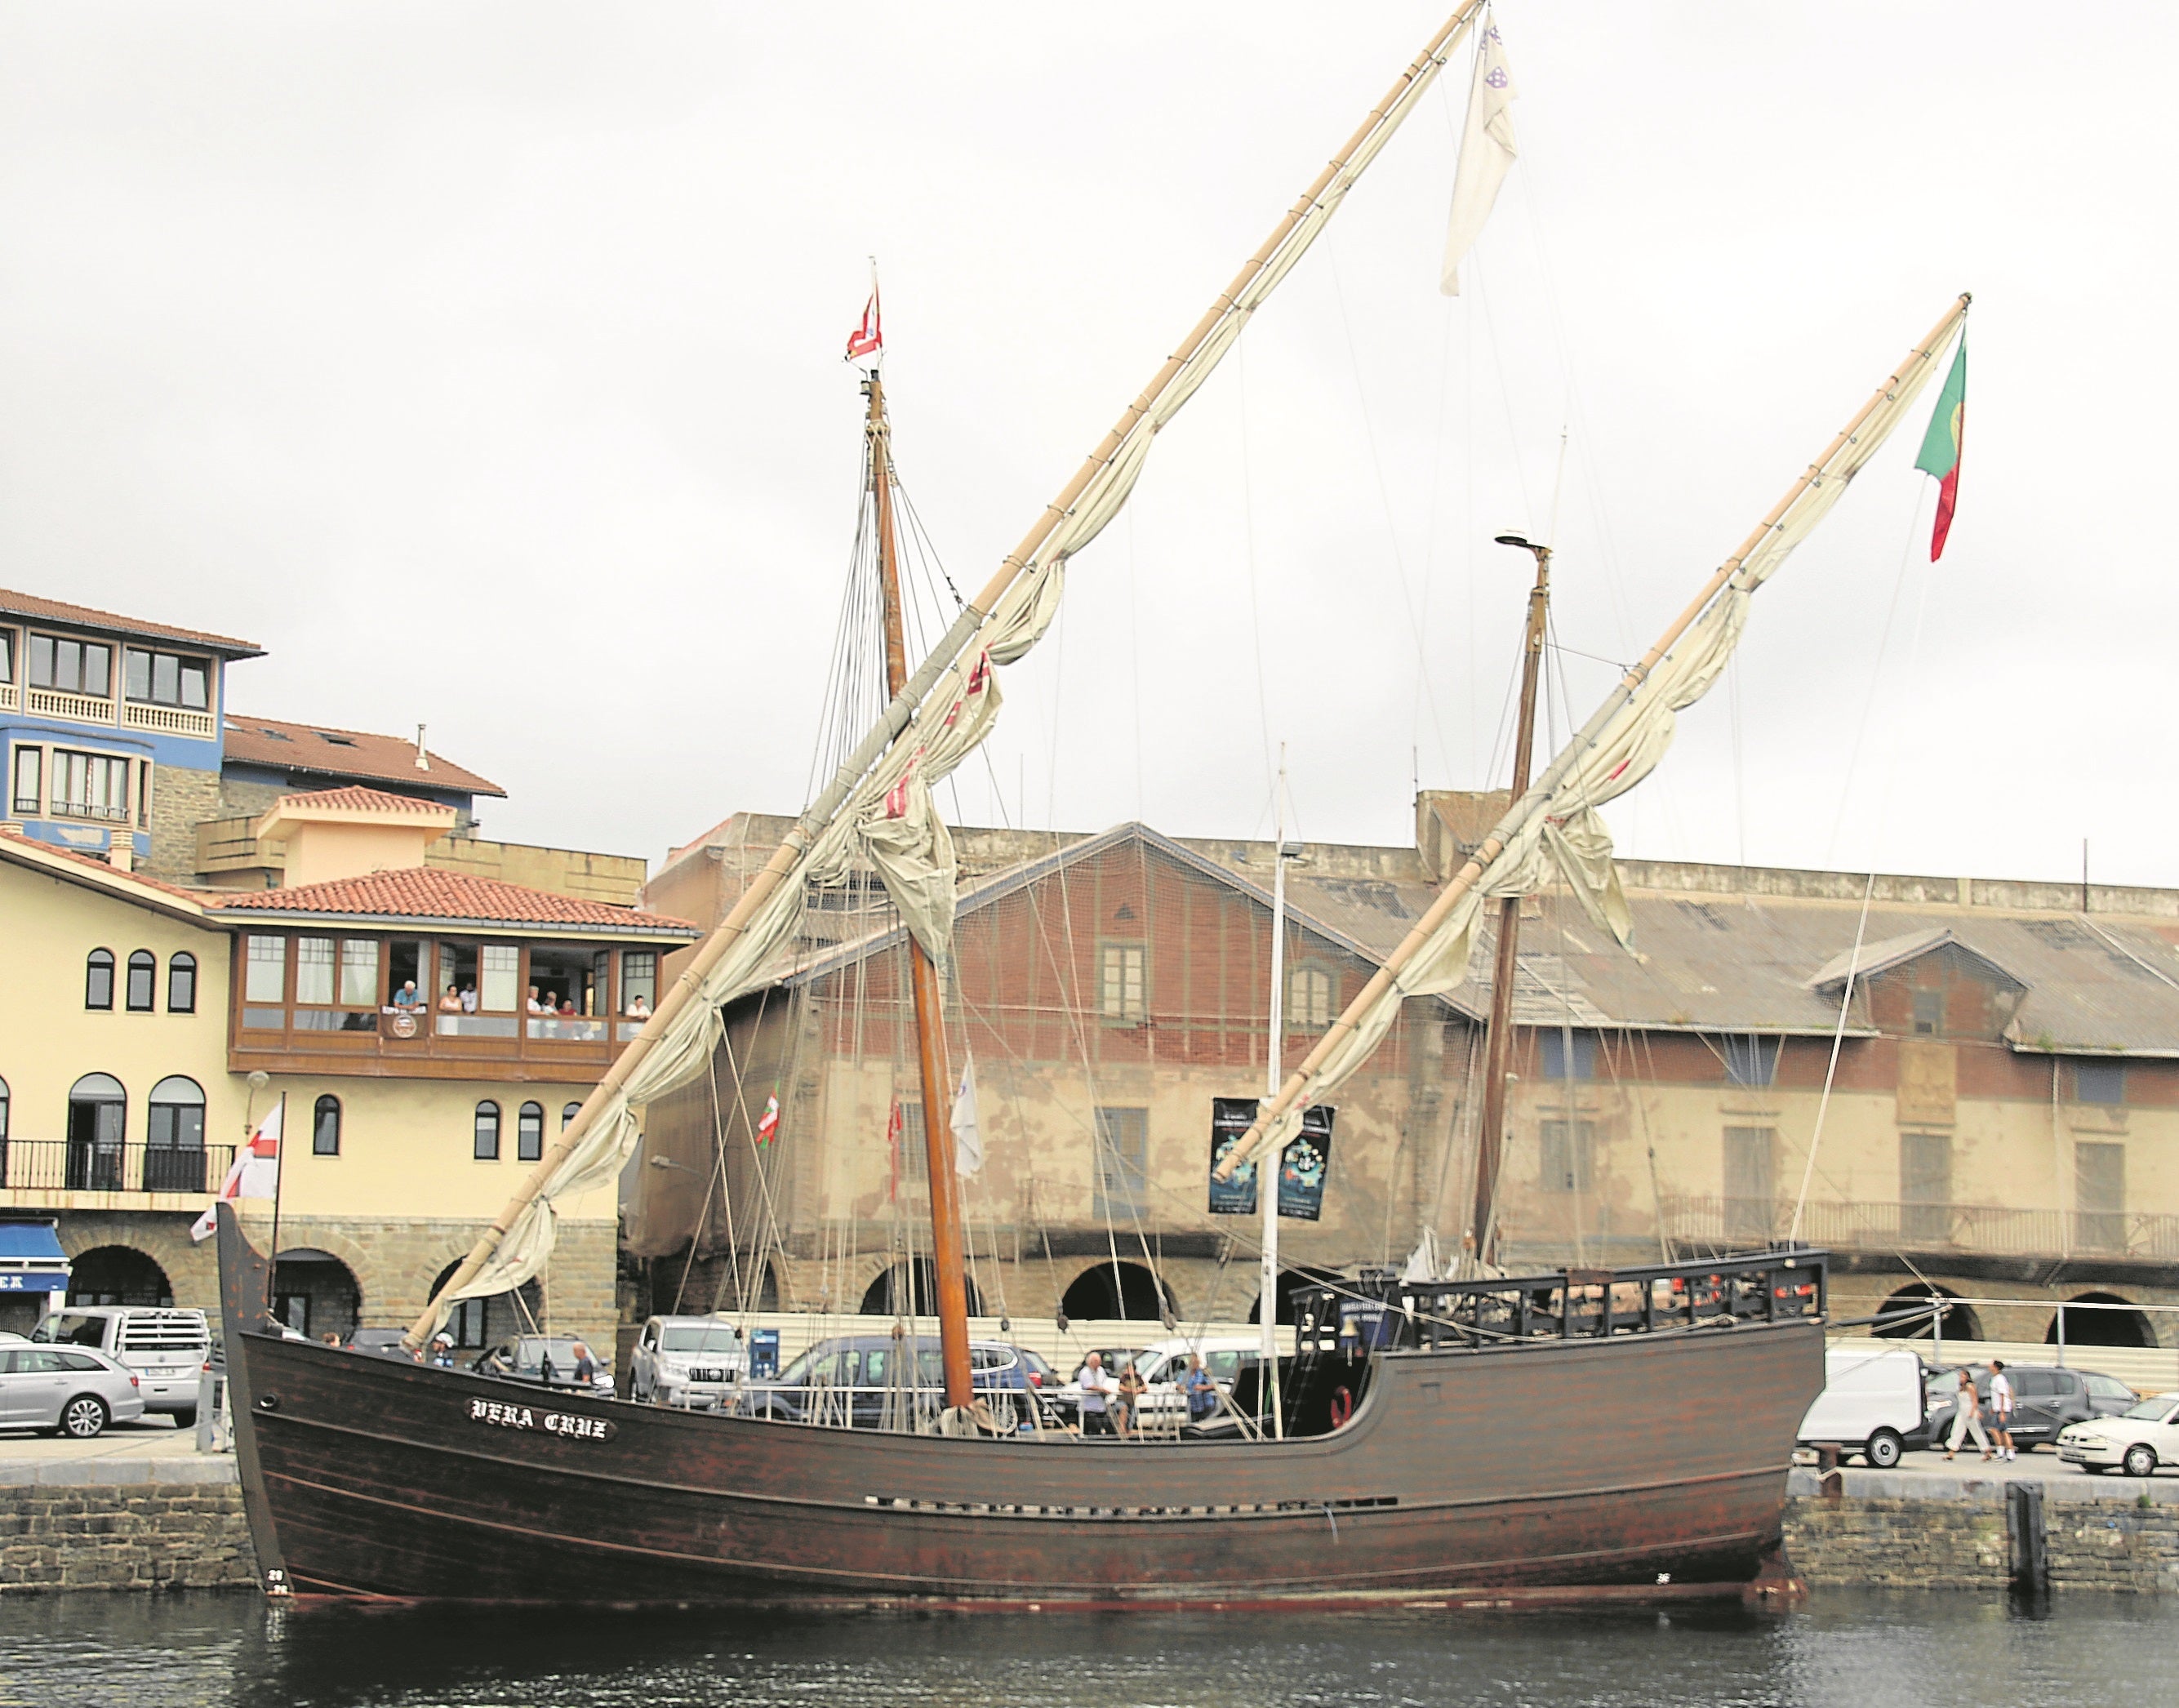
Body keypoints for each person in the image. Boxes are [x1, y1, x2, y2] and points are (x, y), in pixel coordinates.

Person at [1944, 1368, 1991, 1461]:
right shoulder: (1962, 1387)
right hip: (1962, 1411)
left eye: (1964, 1375)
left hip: (1970, 1410)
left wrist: (1974, 1411)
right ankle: (1951, 1452)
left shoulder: (1970, 1386)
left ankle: (1987, 1451)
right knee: (1957, 1430)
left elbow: (1974, 1400)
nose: (1961, 1377)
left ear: (1968, 1377)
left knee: (1976, 1431)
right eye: (1961, 1376)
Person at [1078, 1351, 1118, 1437]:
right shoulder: (1085, 1372)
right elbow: (1088, 1386)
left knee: (1108, 1427)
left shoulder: (1101, 1370)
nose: (1098, 1363)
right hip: (1090, 1408)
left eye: (1099, 1361)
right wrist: (1102, 1390)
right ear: (1090, 1362)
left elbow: (1104, 1382)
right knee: (1093, 1429)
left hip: (1101, 1407)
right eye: (1096, 1361)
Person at [1988, 1359, 2016, 1461]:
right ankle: (2009, 1453)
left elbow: (2002, 1395)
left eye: (1991, 1365)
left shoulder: (1999, 1379)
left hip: (2002, 1409)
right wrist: (1993, 1407)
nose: (1989, 1367)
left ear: (1995, 1367)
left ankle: (2002, 1452)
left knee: (1996, 1430)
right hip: (1998, 1409)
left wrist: (2002, 1412)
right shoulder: (1994, 1379)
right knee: (2002, 1431)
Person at [1181, 1354, 1219, 1426]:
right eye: (1193, 1362)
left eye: (1196, 1362)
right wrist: (1182, 1389)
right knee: (1194, 1424)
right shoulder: (1186, 1373)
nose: (1195, 1364)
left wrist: (1203, 1387)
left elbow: (1210, 1385)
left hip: (1205, 1405)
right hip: (1194, 1406)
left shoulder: (1202, 1372)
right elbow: (1179, 1383)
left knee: (1207, 1423)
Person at [1115, 1359, 1147, 1439]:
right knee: (1124, 1410)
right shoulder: (1124, 1376)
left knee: (1131, 1417)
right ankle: (1121, 1431)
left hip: (1132, 1401)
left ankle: (1128, 1433)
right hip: (1123, 1400)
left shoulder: (1137, 1377)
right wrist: (1131, 1391)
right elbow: (1120, 1387)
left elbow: (1145, 1387)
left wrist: (1139, 1390)